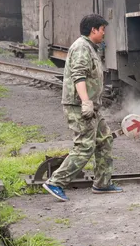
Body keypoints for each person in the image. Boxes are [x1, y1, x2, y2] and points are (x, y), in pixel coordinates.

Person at [43, 14, 122, 202]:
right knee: (84, 147)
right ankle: (56, 182)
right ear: (93, 30)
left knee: (104, 140)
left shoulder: (90, 47)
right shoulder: (81, 47)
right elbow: (79, 76)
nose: (104, 33)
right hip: (80, 106)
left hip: (92, 107)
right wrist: (86, 102)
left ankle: (102, 183)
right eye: (102, 29)